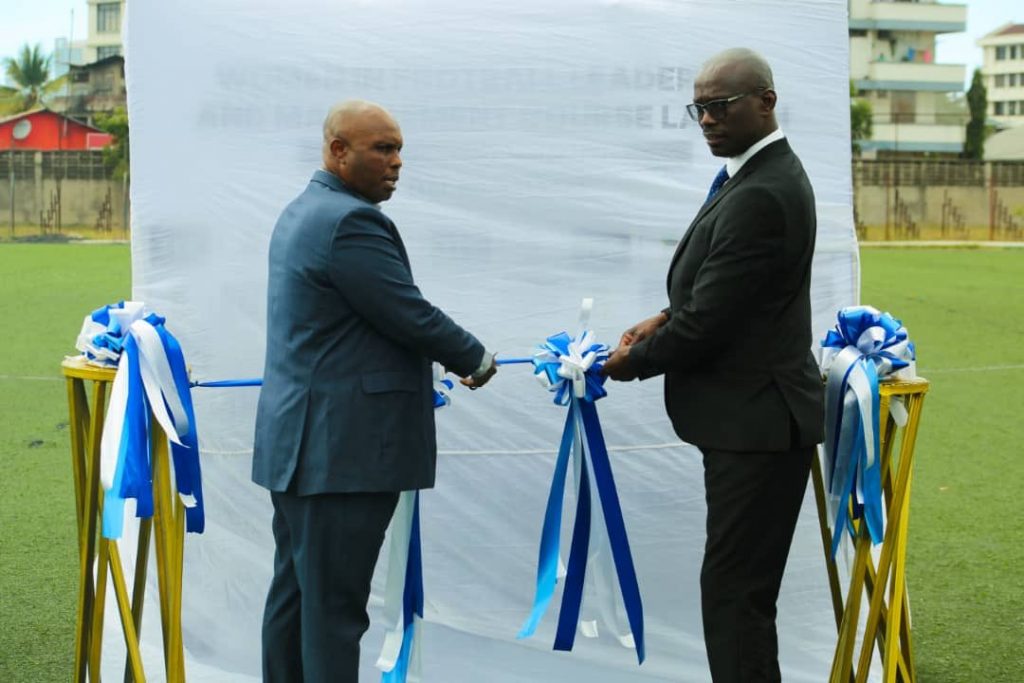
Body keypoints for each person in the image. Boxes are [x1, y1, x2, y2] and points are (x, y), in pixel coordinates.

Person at [252, 99, 497, 682]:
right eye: (382, 149)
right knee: (334, 613)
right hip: (341, 455)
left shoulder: (302, 210)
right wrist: (476, 357)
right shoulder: (351, 222)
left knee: (296, 599)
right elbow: (405, 312)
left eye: (399, 150)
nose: (396, 162)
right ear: (338, 151)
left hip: (301, 448)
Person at [602, 49, 824, 682]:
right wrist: (663, 318)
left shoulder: (765, 190)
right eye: (699, 107)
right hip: (749, 421)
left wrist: (625, 364)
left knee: (736, 598)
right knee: (735, 594)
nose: (707, 119)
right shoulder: (750, 176)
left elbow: (711, 323)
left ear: (766, 101)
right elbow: (724, 298)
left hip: (758, 426)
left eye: (721, 106)